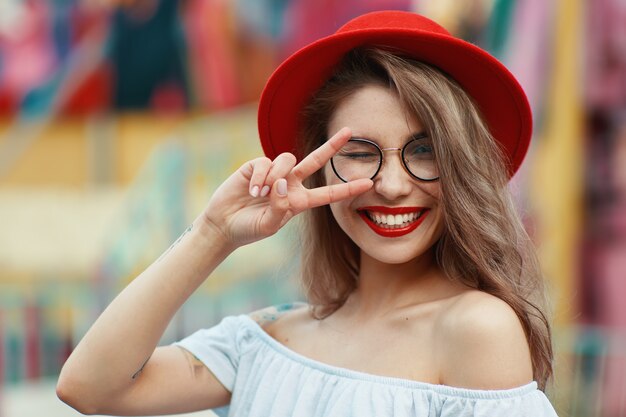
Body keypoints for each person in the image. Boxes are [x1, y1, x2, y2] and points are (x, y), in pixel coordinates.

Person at [57, 10, 559, 416]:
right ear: (316, 170)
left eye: (424, 150)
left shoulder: (476, 329)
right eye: (359, 152)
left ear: (461, 166)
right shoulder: (274, 334)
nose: (390, 185)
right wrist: (213, 233)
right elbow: (91, 387)